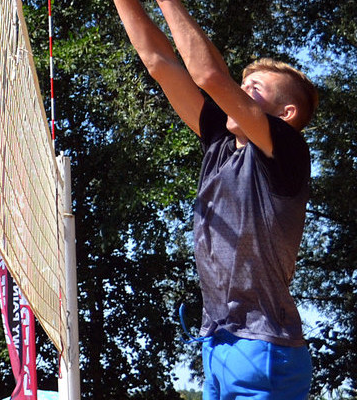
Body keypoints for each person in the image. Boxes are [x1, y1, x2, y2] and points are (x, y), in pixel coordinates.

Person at [112, 0, 318, 398]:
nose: (236, 95)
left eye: (252, 90)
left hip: (266, 350)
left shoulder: (287, 151)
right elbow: (158, 62)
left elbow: (208, 74)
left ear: (286, 113)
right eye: (240, 87)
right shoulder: (221, 145)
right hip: (218, 344)